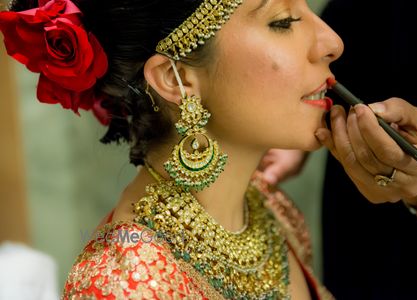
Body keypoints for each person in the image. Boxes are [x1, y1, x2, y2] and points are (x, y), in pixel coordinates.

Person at [0, 0, 345, 299]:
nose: (333, 42)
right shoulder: (126, 287)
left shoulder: (269, 210)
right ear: (175, 77)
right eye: (282, 21)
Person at [260, 0, 417, 299]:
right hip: (363, 230)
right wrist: (308, 113)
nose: (334, 43)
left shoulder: (281, 222)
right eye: (283, 21)